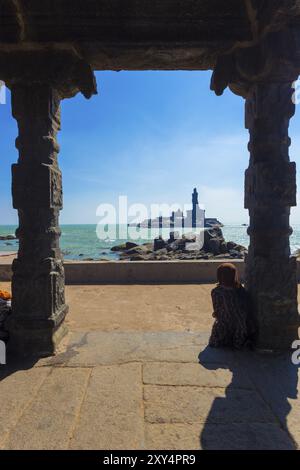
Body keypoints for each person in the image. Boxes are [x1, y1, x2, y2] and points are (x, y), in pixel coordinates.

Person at [209, 263, 256, 349]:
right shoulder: (240, 292)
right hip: (239, 327)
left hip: (223, 327)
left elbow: (216, 310)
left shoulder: (215, 292)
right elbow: (246, 310)